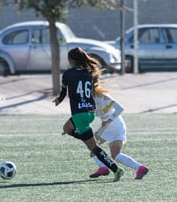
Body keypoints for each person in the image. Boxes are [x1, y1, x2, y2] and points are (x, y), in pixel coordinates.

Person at [53, 47, 124, 182]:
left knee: (93, 147)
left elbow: (63, 93)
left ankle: (116, 170)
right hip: (90, 112)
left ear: (71, 60)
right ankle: (90, 141)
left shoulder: (68, 74)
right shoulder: (88, 74)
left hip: (79, 115)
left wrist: (58, 100)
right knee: (66, 128)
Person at [89, 81, 149, 179]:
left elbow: (120, 108)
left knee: (91, 144)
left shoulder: (103, 96)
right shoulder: (89, 100)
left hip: (113, 125)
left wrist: (108, 121)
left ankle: (103, 167)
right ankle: (140, 168)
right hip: (117, 126)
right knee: (116, 155)